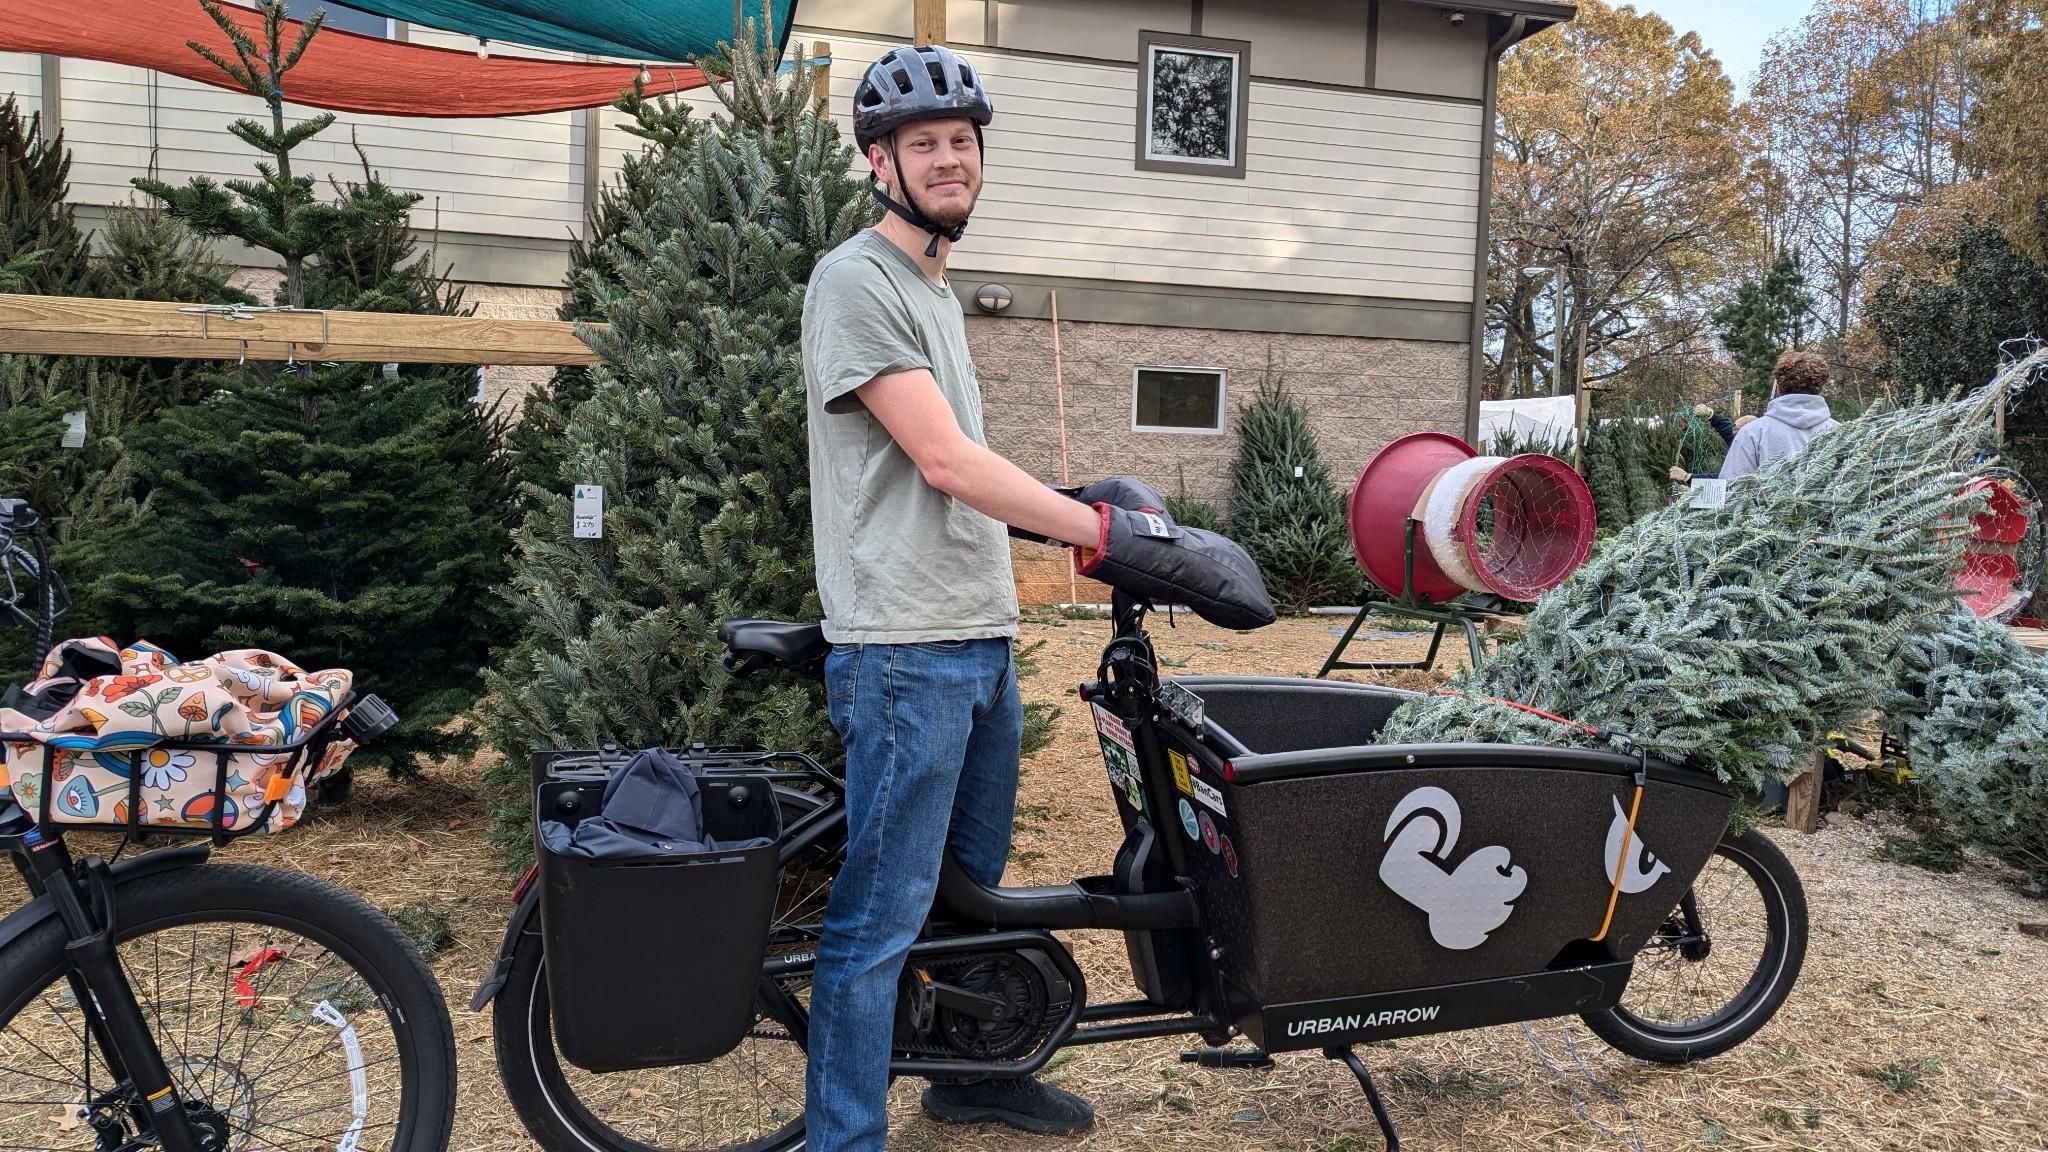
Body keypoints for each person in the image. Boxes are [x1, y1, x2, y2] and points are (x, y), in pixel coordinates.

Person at [797, 43, 1105, 1151]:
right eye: (920, 145)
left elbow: (969, 469)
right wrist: (1100, 531)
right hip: (904, 649)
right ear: (878, 162)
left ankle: (968, 1076)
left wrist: (1078, 500)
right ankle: (843, 1139)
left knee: (965, 893)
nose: (945, 160)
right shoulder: (857, 281)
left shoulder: (933, 291)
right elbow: (942, 462)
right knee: (877, 920)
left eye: (959, 143)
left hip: (974, 636)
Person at [1718, 351, 1840, 481]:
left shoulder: (1753, 433)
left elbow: (1732, 488)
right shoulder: (1841, 433)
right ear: (1819, 387)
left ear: (1778, 387)